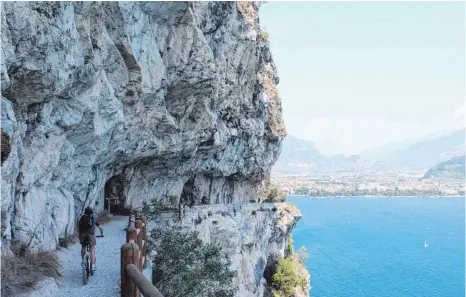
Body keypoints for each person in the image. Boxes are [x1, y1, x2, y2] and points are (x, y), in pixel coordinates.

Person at [78, 206, 103, 273]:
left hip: (82, 234)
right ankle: (93, 265)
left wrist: (79, 235)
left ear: (85, 212)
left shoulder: (82, 217)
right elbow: (100, 227)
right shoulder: (94, 217)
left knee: (83, 246)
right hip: (91, 234)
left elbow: (79, 226)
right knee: (92, 248)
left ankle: (83, 261)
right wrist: (102, 234)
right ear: (92, 212)